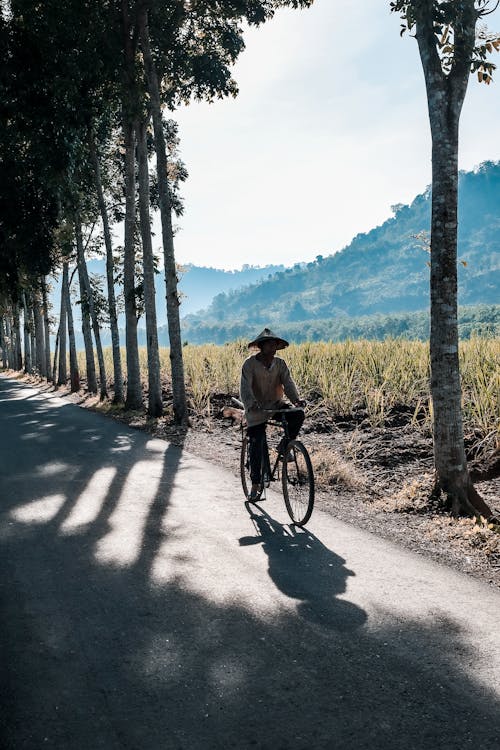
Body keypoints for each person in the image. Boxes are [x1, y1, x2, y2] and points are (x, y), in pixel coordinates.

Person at [240, 328, 305, 501]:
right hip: (256, 409)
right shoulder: (249, 364)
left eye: (275, 344)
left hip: (276, 405)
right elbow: (245, 388)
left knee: (298, 414)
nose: (273, 347)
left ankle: (284, 446)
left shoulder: (280, 364)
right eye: (269, 344)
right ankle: (255, 484)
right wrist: (251, 405)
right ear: (261, 346)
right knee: (256, 443)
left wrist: (297, 400)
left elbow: (288, 384)